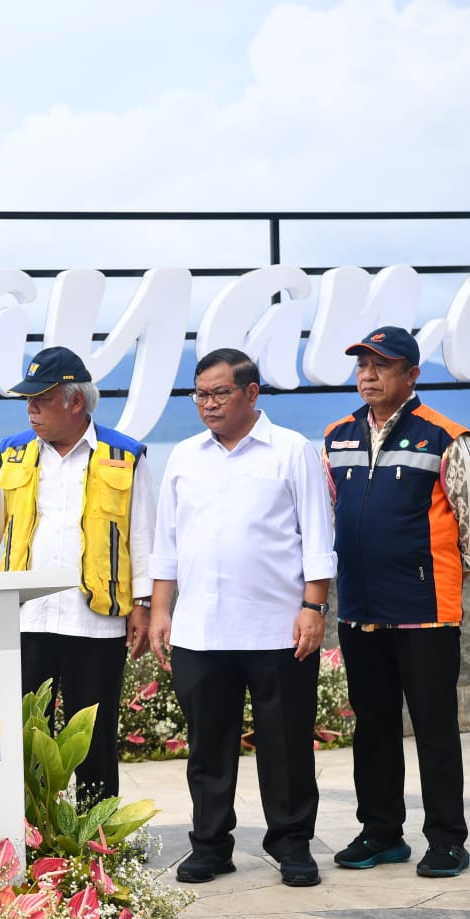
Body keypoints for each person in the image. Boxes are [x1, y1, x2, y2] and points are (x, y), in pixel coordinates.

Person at [148, 347, 336, 888]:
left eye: (219, 393)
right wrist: (162, 609)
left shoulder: (292, 451)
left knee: (286, 743)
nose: (207, 404)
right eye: (200, 394)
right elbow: (168, 542)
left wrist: (313, 607)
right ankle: (210, 845)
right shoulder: (185, 455)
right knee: (207, 745)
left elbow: (318, 537)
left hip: (277, 627)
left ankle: (292, 843)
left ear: (251, 393)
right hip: (200, 631)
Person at [323, 325, 470, 878]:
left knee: (434, 727)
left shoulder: (448, 437)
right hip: (359, 611)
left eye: (382, 366)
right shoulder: (336, 436)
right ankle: (381, 832)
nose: (368, 376)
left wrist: (432, 575)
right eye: (362, 366)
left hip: (426, 609)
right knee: (372, 726)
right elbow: (331, 516)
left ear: (412, 375)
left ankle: (447, 839)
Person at [0, 345, 154, 799]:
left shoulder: (125, 454)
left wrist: (143, 606)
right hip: (27, 617)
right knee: (27, 729)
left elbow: (143, 536)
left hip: (97, 617)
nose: (30, 409)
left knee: (93, 733)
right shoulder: (12, 452)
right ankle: (31, 828)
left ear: (75, 402)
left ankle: (97, 833)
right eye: (28, 400)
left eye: (40, 399)